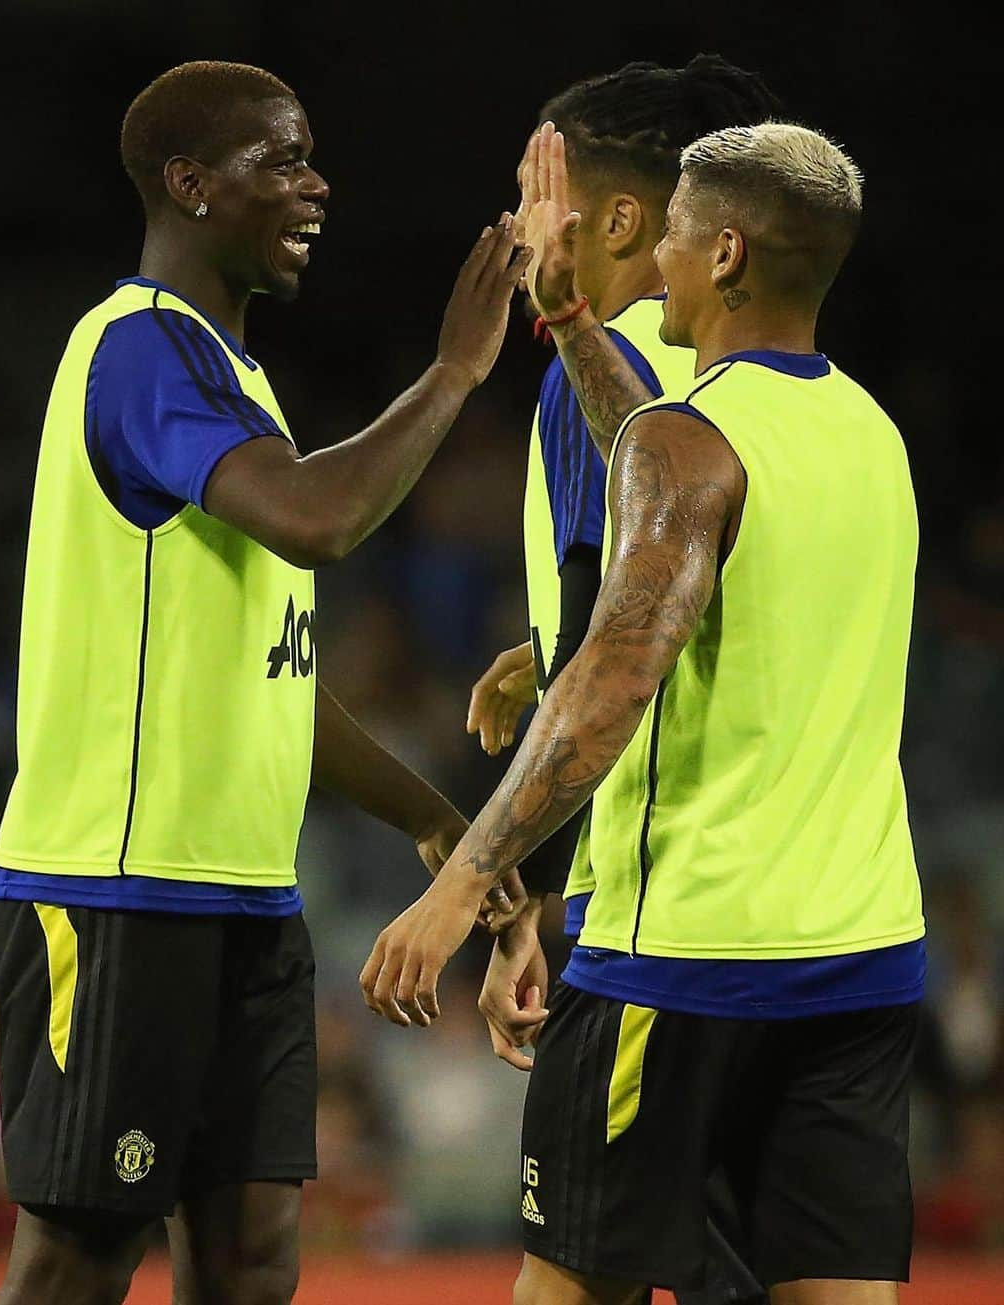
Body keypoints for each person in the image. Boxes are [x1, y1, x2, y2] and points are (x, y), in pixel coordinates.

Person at [0, 60, 526, 1305]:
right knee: (78, 1255)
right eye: (282, 159)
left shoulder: (237, 384)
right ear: (188, 182)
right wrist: (453, 372)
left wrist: (438, 825)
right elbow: (320, 521)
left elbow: (273, 676)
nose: (315, 183)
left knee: (254, 1259)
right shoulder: (137, 353)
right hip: (113, 891)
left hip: (240, 900)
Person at [362, 119, 924, 1305]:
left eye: (671, 233)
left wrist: (463, 882)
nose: (655, 260)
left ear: (722, 256)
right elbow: (680, 486)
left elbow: (615, 682)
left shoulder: (692, 441)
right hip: (861, 959)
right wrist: (568, 322)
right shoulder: (870, 434)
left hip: (681, 964)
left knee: (575, 1288)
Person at [467, 59, 781, 1305]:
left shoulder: (585, 364)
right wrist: (542, 647)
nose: (516, 232)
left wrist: (500, 897)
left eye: (534, 199)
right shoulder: (760, 364)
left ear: (614, 221)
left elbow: (624, 669)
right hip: (797, 915)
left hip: (652, 909)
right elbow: (689, 597)